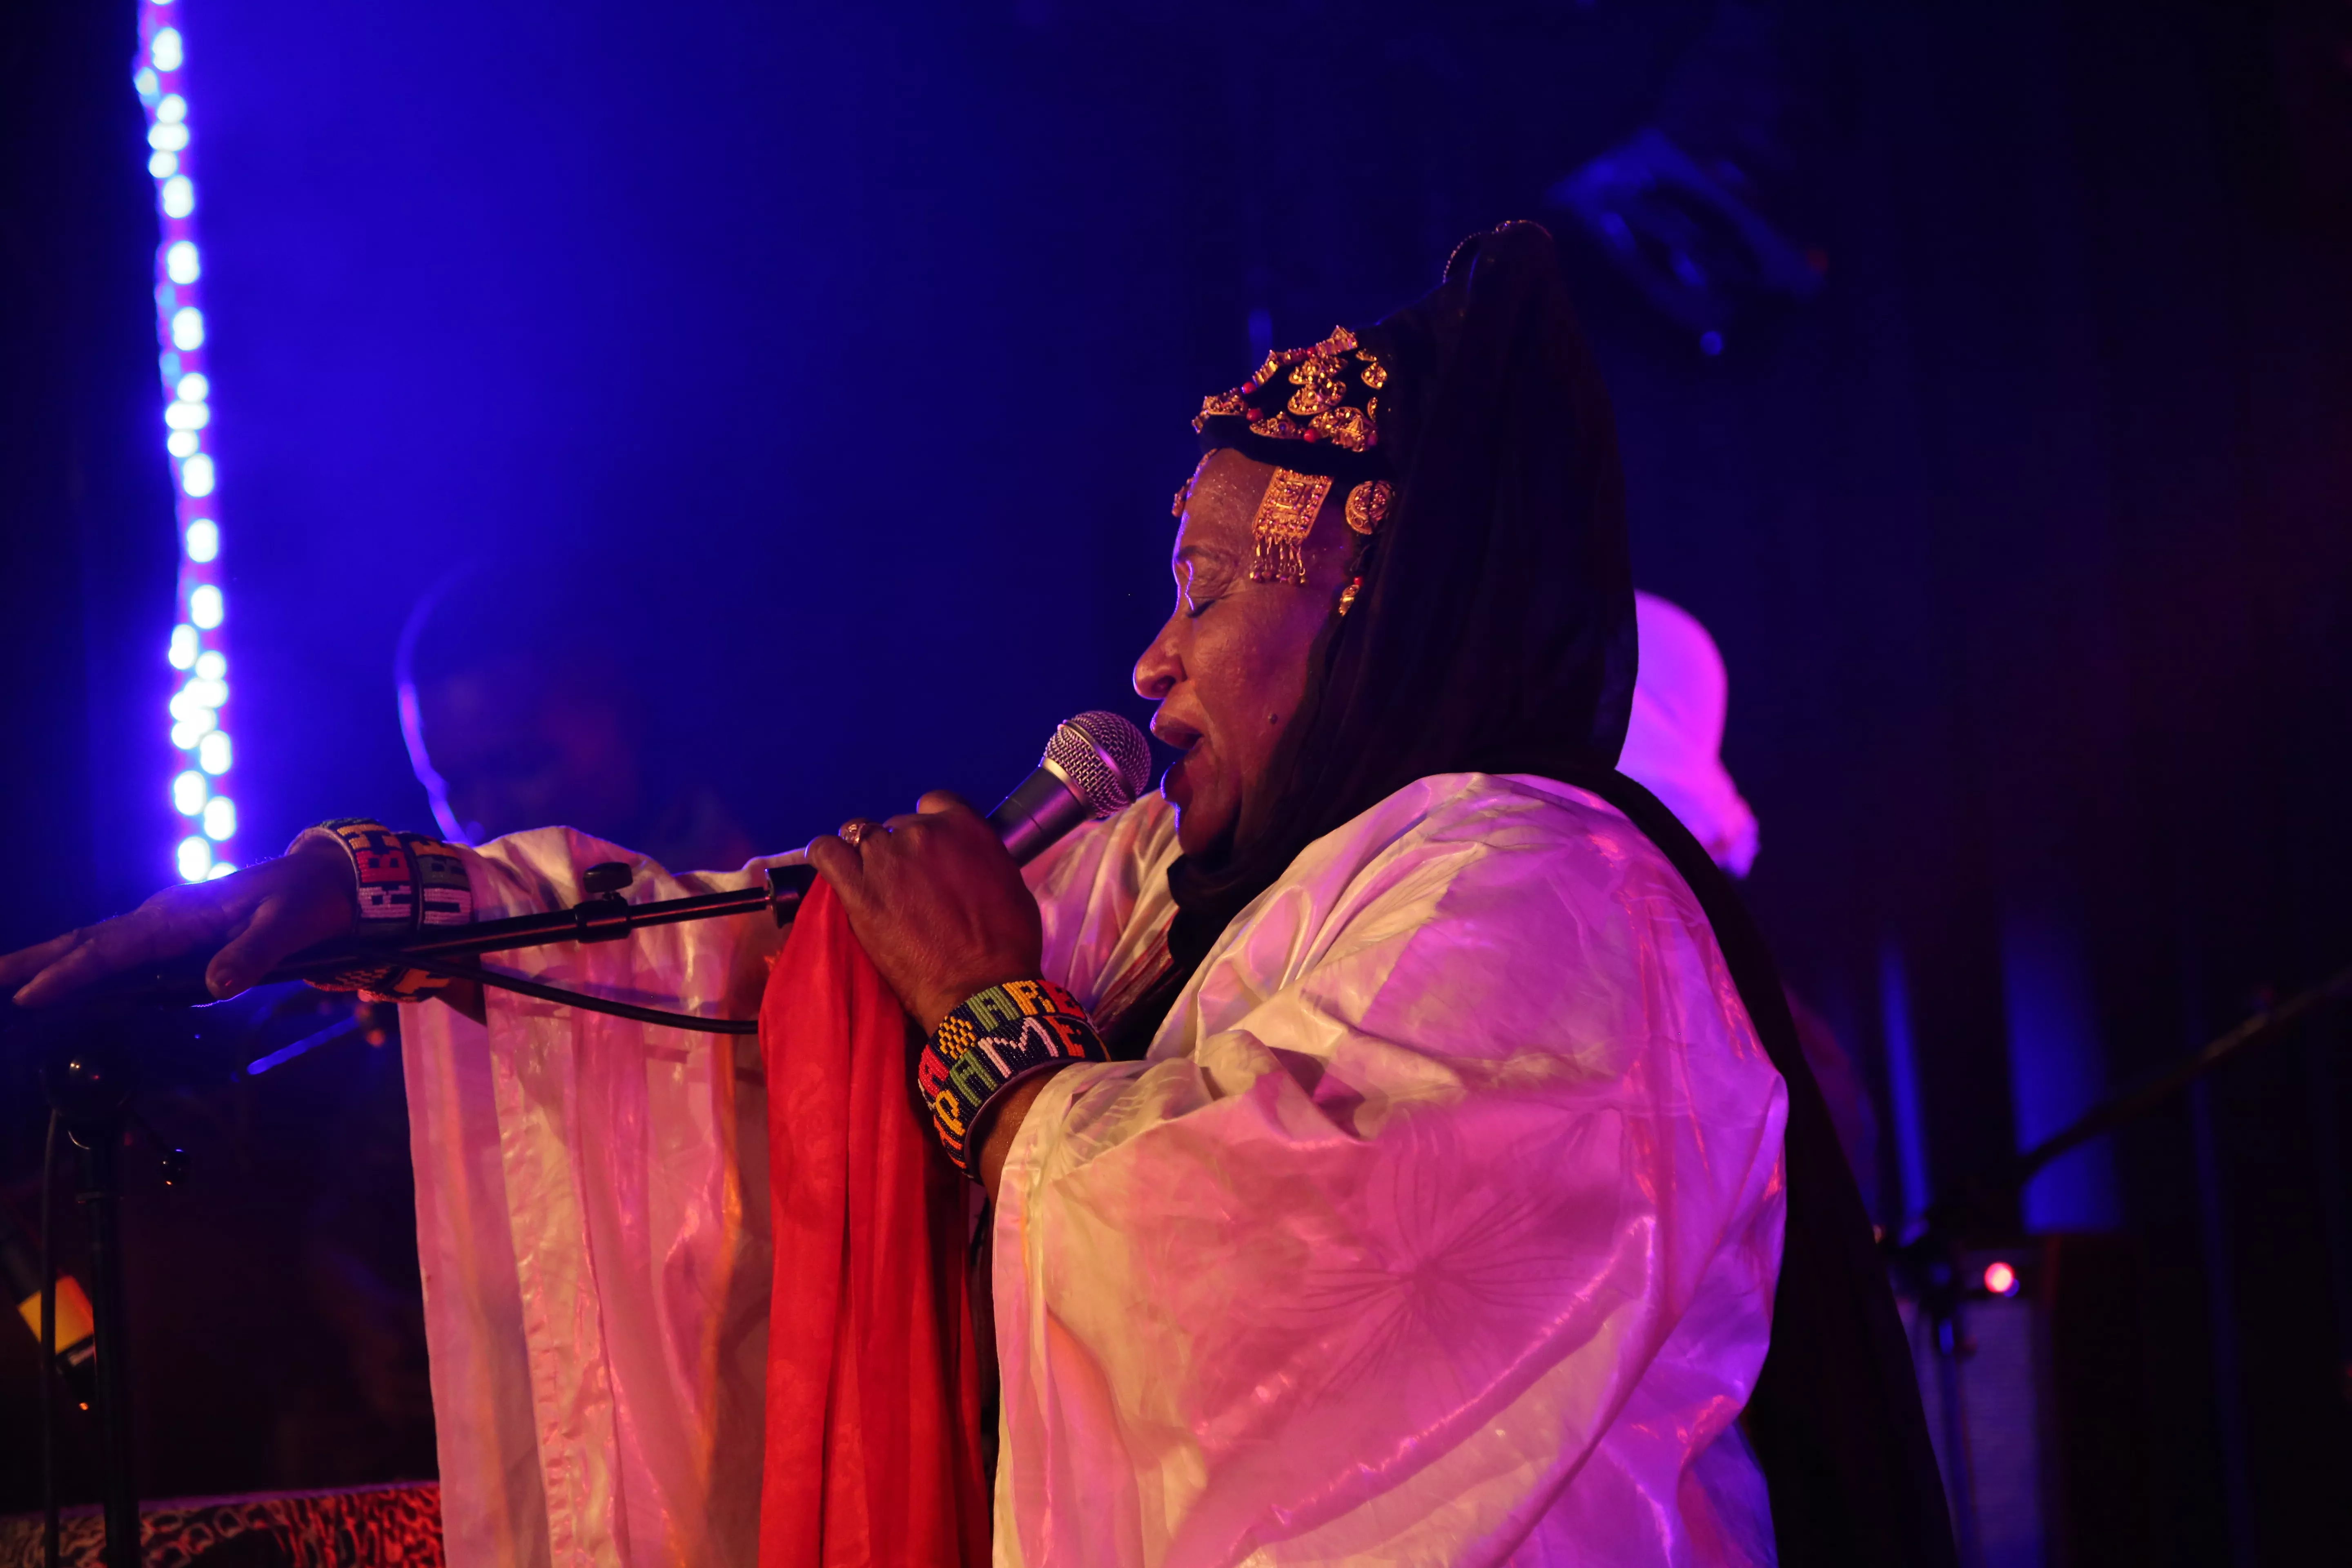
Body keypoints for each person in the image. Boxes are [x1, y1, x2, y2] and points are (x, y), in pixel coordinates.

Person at [3, 223, 1949, 1565]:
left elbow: (1278, 1300)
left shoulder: (1539, 888)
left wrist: (994, 1030)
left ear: (1367, 601)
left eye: (1208, 592)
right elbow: (761, 972)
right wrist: (406, 901)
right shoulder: (1175, 879)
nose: (1152, 661)